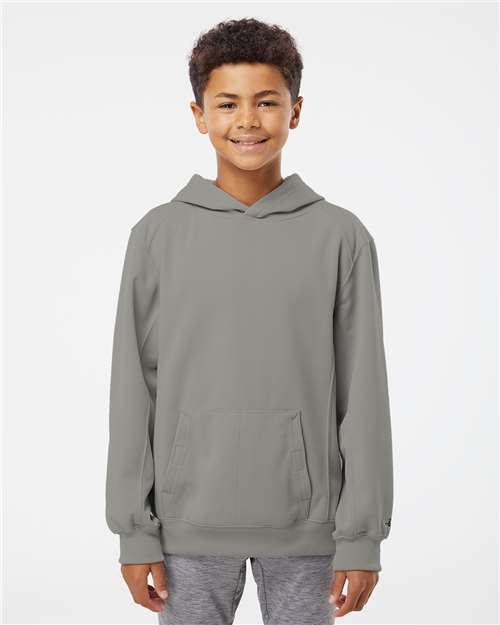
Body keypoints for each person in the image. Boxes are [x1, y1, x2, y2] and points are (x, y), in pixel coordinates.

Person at [105, 17, 394, 625]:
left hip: (310, 529)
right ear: (199, 115)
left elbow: (363, 392)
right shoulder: (157, 235)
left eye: (266, 102)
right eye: (227, 103)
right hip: (186, 525)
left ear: (295, 111)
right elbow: (134, 388)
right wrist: (135, 531)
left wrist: (361, 536)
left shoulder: (340, 236)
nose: (247, 120)